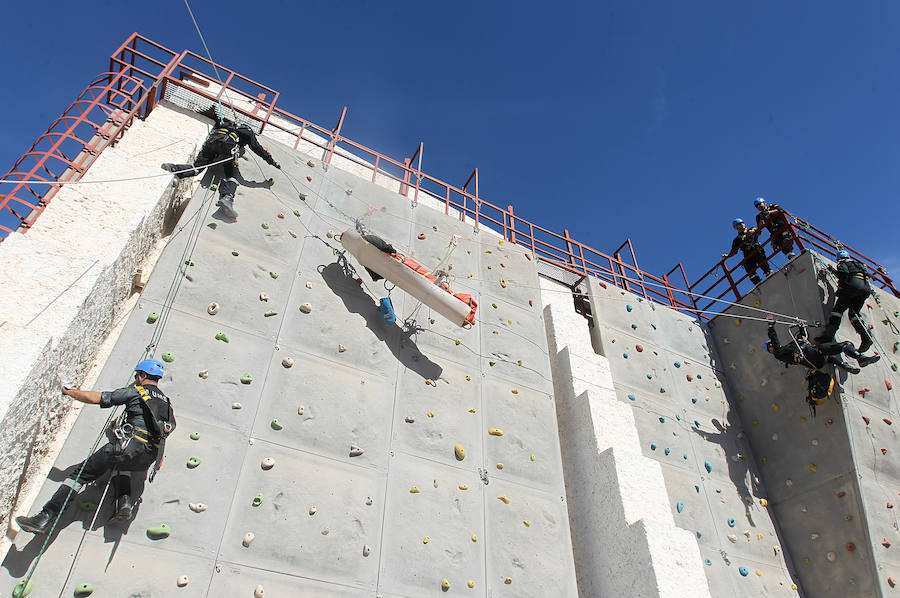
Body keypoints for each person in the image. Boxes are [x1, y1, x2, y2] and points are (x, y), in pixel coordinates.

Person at [16, 360, 176, 534]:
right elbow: (170, 427)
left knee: (78, 476)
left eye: (137, 376)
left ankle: (44, 518)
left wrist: (70, 392)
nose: (136, 379)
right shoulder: (167, 403)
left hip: (128, 444)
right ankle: (124, 502)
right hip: (148, 457)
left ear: (143, 375)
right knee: (121, 466)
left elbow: (98, 398)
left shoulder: (136, 392)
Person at [161, 113, 280, 220]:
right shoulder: (248, 131)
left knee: (197, 168)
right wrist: (272, 161)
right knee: (232, 176)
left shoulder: (227, 125)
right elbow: (257, 148)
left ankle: (174, 168)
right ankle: (227, 198)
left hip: (212, 142)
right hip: (228, 146)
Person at [766, 321, 879, 411]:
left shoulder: (790, 346)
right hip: (811, 354)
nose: (772, 347)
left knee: (830, 356)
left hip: (815, 360)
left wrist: (800, 326)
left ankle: (846, 365)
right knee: (844, 345)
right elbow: (776, 344)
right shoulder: (779, 353)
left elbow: (803, 336)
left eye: (771, 345)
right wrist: (771, 328)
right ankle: (860, 358)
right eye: (770, 347)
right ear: (771, 350)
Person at [815, 250, 876, 352]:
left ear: (839, 258)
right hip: (865, 290)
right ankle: (866, 337)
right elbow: (851, 275)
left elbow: (844, 274)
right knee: (853, 315)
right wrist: (833, 271)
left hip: (852, 288)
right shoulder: (858, 265)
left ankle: (828, 337)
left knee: (837, 312)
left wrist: (841, 288)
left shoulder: (842, 263)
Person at [722, 218, 772, 285]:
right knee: (749, 267)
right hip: (747, 254)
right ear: (735, 227)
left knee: (762, 262)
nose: (742, 225)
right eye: (739, 224)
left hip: (756, 249)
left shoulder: (751, 229)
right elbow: (734, 251)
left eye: (742, 223)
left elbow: (758, 232)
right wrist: (727, 256)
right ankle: (757, 283)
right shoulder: (736, 240)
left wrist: (755, 232)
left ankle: (768, 273)